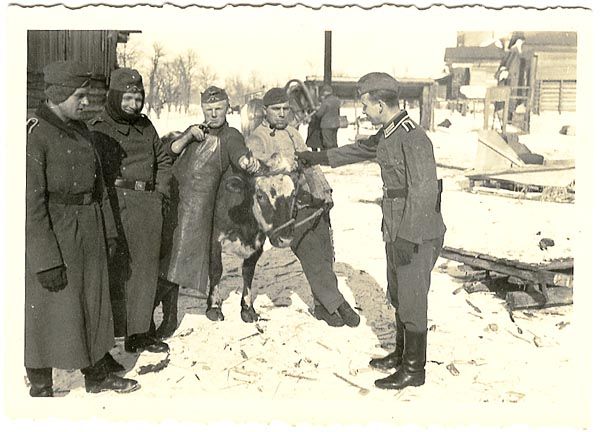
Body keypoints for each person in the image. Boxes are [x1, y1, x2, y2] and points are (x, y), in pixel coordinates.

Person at [297, 72, 446, 389]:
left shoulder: (413, 137)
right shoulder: (388, 134)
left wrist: (407, 235)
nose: (362, 111)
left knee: (413, 297)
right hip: (396, 226)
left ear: (380, 104)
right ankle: (401, 354)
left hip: (416, 230)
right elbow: (357, 150)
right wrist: (317, 157)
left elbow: (424, 191)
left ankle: (414, 370)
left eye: (365, 105)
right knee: (398, 292)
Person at [25, 60, 140, 396]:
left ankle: (96, 374)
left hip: (88, 229)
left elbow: (99, 187)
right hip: (56, 233)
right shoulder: (35, 135)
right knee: (47, 309)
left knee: (93, 303)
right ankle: (41, 384)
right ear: (58, 94)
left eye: (88, 96)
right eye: (80, 96)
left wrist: (108, 232)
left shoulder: (82, 130)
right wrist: (45, 258)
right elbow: (29, 206)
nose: (87, 103)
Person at [246, 87, 360, 328]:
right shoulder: (258, 138)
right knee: (310, 251)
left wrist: (322, 189)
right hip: (284, 208)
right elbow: (259, 174)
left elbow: (309, 163)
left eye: (285, 109)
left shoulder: (293, 133)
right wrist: (282, 166)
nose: (281, 113)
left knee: (324, 249)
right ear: (265, 111)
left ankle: (323, 305)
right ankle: (336, 302)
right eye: (276, 109)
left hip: (307, 198)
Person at [90, 68, 171, 354]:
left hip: (147, 205)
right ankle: (116, 333)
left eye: (137, 98)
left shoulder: (147, 126)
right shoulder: (100, 128)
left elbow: (162, 160)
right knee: (119, 271)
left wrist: (160, 193)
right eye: (127, 98)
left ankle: (140, 332)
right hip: (117, 205)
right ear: (114, 97)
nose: (133, 105)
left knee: (146, 271)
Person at [163, 85, 261, 304]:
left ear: (227, 108)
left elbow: (238, 151)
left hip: (201, 208)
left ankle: (196, 304)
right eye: (209, 110)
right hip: (179, 200)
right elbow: (170, 152)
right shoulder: (195, 131)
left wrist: (246, 161)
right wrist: (188, 135)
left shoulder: (230, 135)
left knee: (182, 258)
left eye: (219, 109)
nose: (214, 114)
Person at [314, 84, 342, 149]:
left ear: (325, 92)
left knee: (327, 143)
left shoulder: (325, 101)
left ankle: (329, 157)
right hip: (336, 124)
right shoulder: (337, 100)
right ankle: (336, 156)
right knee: (334, 142)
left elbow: (319, 114)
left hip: (327, 125)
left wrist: (316, 111)